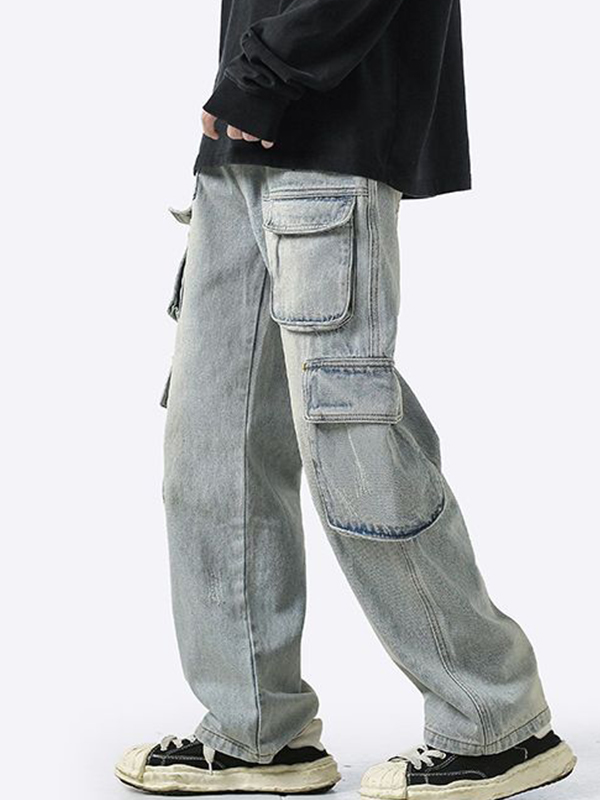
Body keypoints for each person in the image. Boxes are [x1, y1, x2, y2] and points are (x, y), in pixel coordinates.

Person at [115, 1, 576, 798]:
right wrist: (245, 88)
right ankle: (256, 731)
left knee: (353, 442)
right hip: (236, 151)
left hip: (327, 135)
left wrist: (265, 74)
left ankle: (498, 720)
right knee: (210, 446)